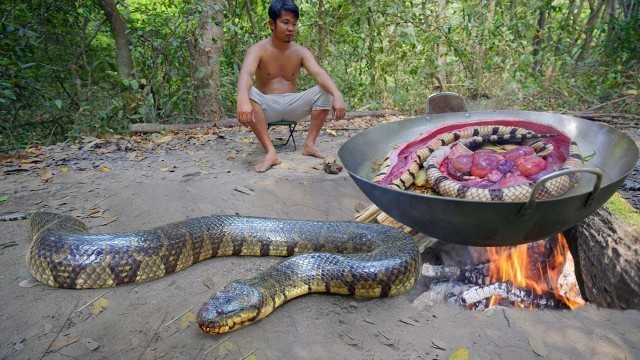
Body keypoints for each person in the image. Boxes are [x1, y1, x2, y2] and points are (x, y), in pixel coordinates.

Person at [236, 0, 347, 173]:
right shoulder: (258, 49)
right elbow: (246, 73)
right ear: (272, 24)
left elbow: (319, 73)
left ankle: (309, 145)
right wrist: (242, 98)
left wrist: (337, 95)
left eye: (294, 24)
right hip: (266, 106)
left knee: (325, 91)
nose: (291, 28)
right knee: (247, 91)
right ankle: (270, 152)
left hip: (293, 105)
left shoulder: (301, 51)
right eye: (285, 22)